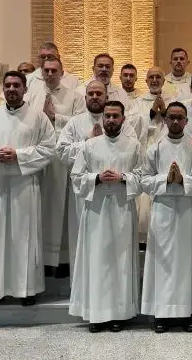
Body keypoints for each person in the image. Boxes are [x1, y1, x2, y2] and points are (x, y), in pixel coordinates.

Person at [0, 70, 56, 306]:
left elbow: (49, 149)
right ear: (3, 89)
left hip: (24, 185)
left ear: (25, 89)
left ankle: (26, 289)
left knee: (23, 237)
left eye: (16, 85)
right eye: (7, 85)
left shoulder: (38, 118)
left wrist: (19, 155)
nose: (11, 89)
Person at [69, 100, 142, 332]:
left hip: (122, 209)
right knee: (97, 260)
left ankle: (118, 315)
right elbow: (76, 177)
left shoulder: (134, 145)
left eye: (115, 116)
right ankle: (96, 314)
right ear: (102, 118)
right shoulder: (89, 145)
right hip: (96, 210)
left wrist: (123, 178)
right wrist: (97, 178)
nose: (111, 120)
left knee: (120, 262)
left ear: (123, 119)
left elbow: (143, 176)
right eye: (107, 116)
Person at [56, 80, 145, 268]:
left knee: (118, 250)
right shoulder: (75, 122)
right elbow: (62, 152)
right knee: (87, 243)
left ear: (106, 96)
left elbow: (130, 152)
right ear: (85, 97)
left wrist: (121, 176)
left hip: (120, 197)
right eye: (91, 94)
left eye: (99, 94)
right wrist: (88, 143)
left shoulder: (124, 125)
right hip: (87, 195)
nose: (95, 97)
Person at [140, 102, 192, 332]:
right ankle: (161, 314)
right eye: (172, 117)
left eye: (180, 118)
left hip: (188, 212)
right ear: (165, 119)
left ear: (186, 121)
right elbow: (144, 181)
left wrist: (183, 180)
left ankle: (188, 314)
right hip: (162, 211)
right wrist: (166, 180)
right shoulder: (154, 148)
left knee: (187, 262)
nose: (176, 121)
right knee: (163, 263)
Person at [28, 55, 85, 275]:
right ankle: (38, 260)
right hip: (36, 158)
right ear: (41, 72)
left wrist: (56, 117)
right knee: (38, 207)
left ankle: (61, 260)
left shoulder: (75, 97)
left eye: (54, 70)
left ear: (62, 72)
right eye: (47, 70)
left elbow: (80, 123)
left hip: (61, 161)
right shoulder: (31, 95)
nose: (50, 74)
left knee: (61, 208)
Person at [131, 67, 169, 146]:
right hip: (145, 145)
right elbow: (132, 124)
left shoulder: (171, 100)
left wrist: (164, 112)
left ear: (163, 81)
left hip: (165, 145)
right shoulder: (138, 101)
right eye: (151, 77)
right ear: (146, 81)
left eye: (158, 77)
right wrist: (152, 112)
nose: (154, 80)